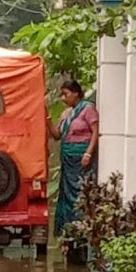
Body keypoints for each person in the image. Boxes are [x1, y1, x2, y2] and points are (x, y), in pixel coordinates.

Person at [52, 75, 98, 241]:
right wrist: (47, 120)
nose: (64, 98)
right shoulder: (66, 114)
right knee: (67, 194)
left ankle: (83, 228)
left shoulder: (88, 109)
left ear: (76, 93)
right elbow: (57, 135)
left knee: (81, 190)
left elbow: (95, 133)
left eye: (66, 94)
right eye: (62, 95)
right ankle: (68, 230)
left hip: (82, 158)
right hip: (67, 157)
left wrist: (88, 153)